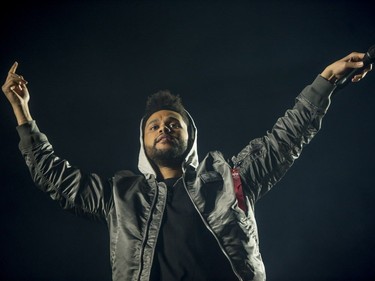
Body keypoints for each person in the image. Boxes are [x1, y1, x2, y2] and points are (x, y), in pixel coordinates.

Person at [1, 51, 372, 281]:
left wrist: (326, 80)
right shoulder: (119, 196)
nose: (164, 128)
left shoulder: (230, 178)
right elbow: (58, 179)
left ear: (190, 136)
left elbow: (284, 138)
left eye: (173, 123)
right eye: (154, 125)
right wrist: (23, 113)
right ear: (144, 142)